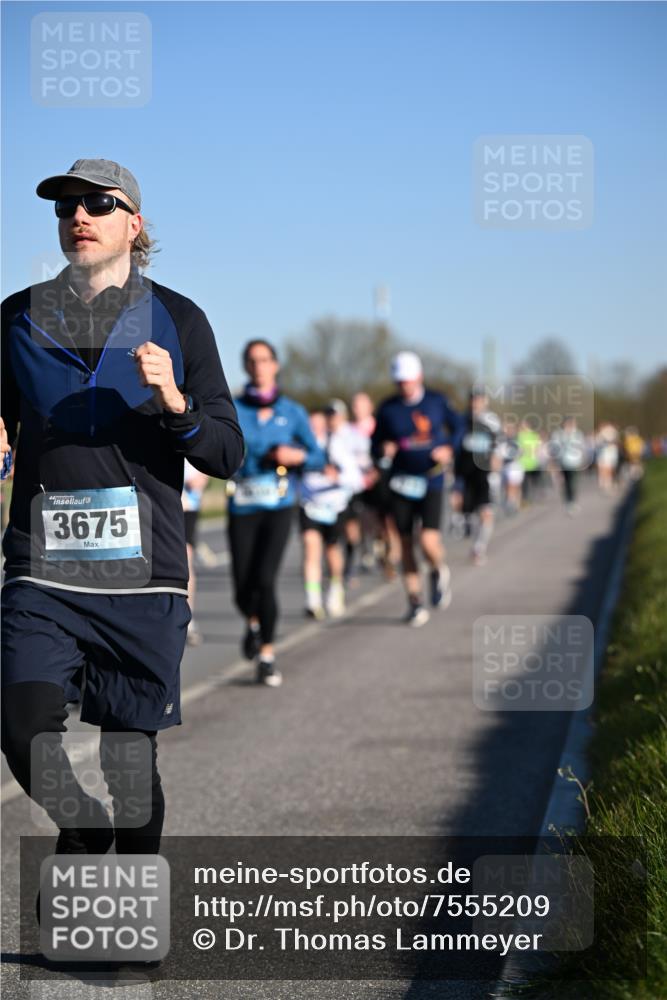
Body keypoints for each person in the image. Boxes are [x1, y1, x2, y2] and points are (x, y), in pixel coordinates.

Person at [0, 161, 243, 874]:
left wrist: (174, 404)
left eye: (99, 204)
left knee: (128, 759)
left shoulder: (179, 320)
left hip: (144, 576)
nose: (79, 215)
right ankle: (81, 824)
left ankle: (132, 919)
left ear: (132, 225)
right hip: (43, 570)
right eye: (66, 206)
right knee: (21, 728)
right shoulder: (14, 318)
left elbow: (227, 453)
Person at [227, 339, 324, 686]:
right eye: (252, 361)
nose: (259, 366)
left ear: (275, 365)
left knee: (266, 579)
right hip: (242, 501)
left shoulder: (293, 412)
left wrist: (296, 457)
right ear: (246, 367)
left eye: (265, 360)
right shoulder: (234, 408)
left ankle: (267, 655)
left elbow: (318, 457)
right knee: (241, 586)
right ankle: (253, 622)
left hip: (279, 503)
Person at [372, 351, 464, 626]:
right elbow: (375, 443)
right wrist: (381, 450)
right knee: (405, 543)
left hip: (431, 480)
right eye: (400, 382)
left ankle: (438, 569)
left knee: (428, 541)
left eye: (409, 381)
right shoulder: (388, 408)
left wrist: (448, 448)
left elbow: (459, 427)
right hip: (401, 482)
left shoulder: (437, 401)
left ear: (419, 377)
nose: (404, 386)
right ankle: (414, 601)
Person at [299, 405, 364, 618]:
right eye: (311, 425)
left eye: (318, 424)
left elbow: (355, 478)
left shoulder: (335, 444)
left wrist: (337, 478)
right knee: (311, 547)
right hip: (309, 505)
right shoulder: (300, 445)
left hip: (334, 507)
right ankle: (313, 600)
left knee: (331, 551)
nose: (314, 428)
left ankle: (336, 588)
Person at [452, 389, 502, 565]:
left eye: (479, 399)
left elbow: (498, 444)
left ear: (485, 401)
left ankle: (479, 548)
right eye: (473, 399)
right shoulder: (462, 420)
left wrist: (497, 460)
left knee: (486, 512)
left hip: (484, 473)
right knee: (469, 513)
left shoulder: (491, 421)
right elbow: (455, 446)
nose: (476, 403)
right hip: (465, 473)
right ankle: (468, 531)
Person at [181, 459, 210, 644]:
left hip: (186, 507)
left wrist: (201, 478)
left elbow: (206, 461)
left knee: (186, 559)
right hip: (156, 506)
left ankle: (188, 619)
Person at [549, 416, 587, 514]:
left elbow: (582, 448)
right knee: (565, 482)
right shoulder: (558, 434)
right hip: (562, 462)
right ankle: (567, 501)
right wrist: (553, 462)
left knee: (573, 482)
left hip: (574, 462)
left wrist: (583, 460)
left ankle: (573, 501)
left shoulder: (578, 434)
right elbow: (554, 448)